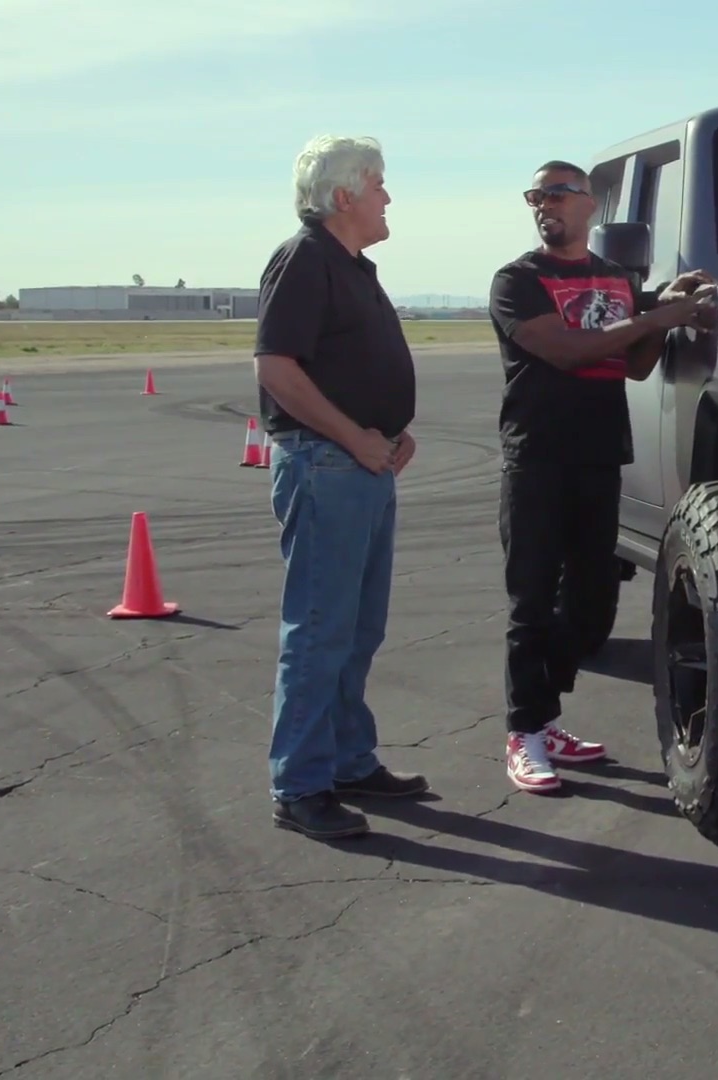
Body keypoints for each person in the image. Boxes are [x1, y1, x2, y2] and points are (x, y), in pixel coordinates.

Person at [488, 159, 717, 794]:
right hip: (537, 458)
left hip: (599, 456)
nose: (544, 204)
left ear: (590, 204)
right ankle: (525, 731)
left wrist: (666, 306)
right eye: (536, 196)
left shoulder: (616, 279)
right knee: (532, 601)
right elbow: (567, 351)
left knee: (592, 606)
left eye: (558, 193)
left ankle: (544, 715)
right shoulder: (518, 281)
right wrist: (656, 316)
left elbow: (635, 364)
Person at [253, 134, 428, 840]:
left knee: (358, 628)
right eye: (379, 183)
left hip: (364, 464)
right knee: (321, 629)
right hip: (328, 465)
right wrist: (355, 437)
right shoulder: (305, 259)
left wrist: (390, 431)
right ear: (345, 194)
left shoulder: (352, 266)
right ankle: (299, 785)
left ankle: (349, 759)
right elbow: (277, 368)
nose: (388, 197)